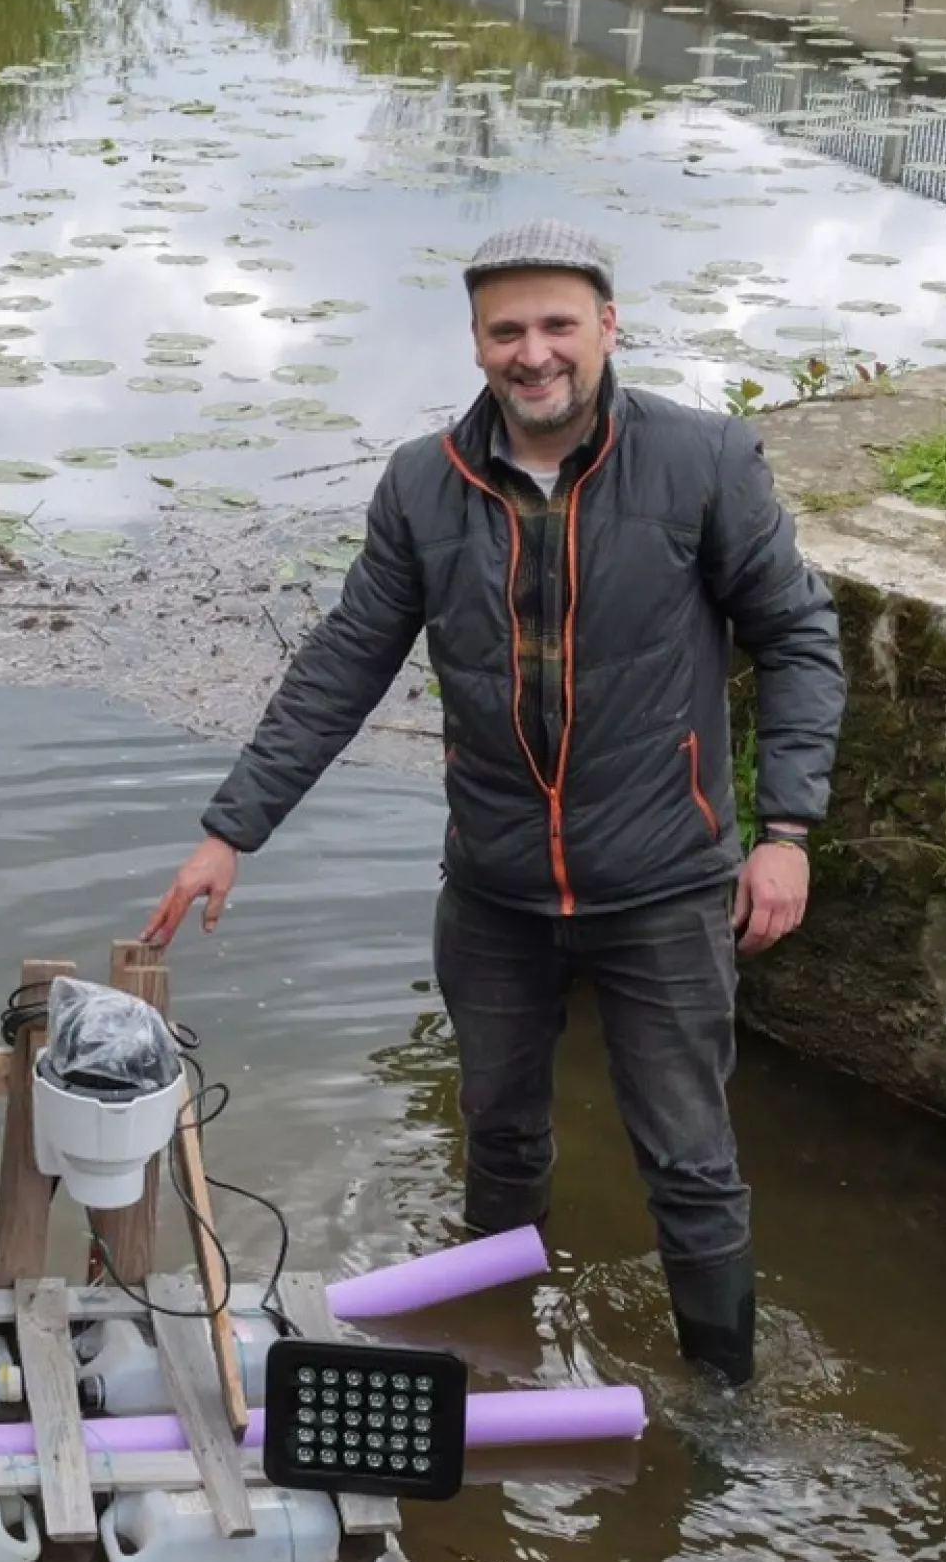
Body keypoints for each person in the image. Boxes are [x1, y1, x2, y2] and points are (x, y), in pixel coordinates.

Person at [143, 219, 846, 1388]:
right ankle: (493, 1354)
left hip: (663, 885)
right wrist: (231, 828)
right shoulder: (425, 484)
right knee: (500, 1136)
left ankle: (723, 1399)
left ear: (606, 327)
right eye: (505, 329)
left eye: (556, 324)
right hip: (495, 890)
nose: (533, 353)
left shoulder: (701, 461)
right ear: (475, 343)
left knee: (687, 1158)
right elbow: (344, 660)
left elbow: (796, 635)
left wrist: (785, 832)